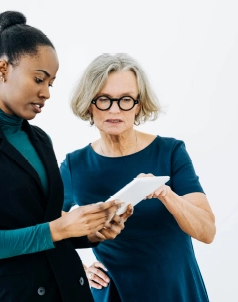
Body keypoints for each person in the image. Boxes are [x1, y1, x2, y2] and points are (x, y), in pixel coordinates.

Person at [0, 11, 133, 302]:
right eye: (39, 79)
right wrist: (61, 227)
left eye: (50, 83)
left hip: (70, 289)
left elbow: (47, 223)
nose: (46, 93)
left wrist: (93, 231)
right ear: (2, 68)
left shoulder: (40, 139)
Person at [60, 53, 216, 301]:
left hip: (176, 289)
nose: (114, 109)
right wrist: (76, 268)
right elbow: (45, 228)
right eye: (103, 99)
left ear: (138, 105)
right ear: (89, 103)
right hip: (114, 293)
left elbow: (207, 232)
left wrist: (166, 193)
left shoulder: (170, 152)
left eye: (125, 100)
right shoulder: (74, 165)